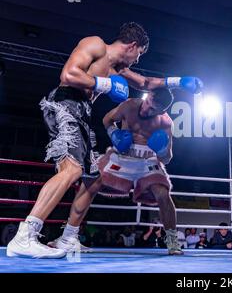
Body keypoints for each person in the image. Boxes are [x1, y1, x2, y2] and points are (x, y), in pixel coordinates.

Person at [6, 22, 203, 259]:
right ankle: (25, 235)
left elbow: (145, 83)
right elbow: (68, 74)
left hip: (82, 112)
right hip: (65, 104)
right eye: (139, 54)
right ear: (132, 46)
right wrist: (105, 84)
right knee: (72, 170)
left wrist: (180, 81)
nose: (137, 60)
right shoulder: (95, 44)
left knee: (90, 177)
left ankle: (68, 238)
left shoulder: (118, 70)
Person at [47, 87, 185, 255]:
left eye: (153, 109)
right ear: (148, 96)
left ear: (162, 110)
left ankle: (172, 240)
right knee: (91, 182)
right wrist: (114, 134)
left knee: (162, 193)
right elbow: (107, 119)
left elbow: (167, 158)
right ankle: (68, 238)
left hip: (147, 159)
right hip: (122, 154)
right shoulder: (129, 106)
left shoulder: (165, 123)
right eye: (148, 103)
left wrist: (162, 149)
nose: (147, 109)